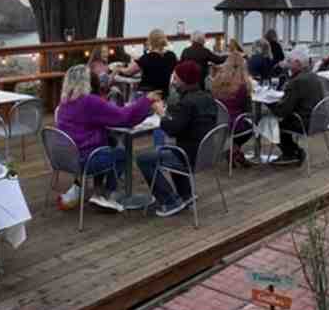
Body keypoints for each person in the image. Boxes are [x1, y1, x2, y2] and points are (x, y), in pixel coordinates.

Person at [56, 64, 160, 211]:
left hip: (66, 159)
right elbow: (124, 117)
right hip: (87, 160)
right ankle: (105, 194)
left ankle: (90, 190)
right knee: (121, 154)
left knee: (107, 144)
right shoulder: (89, 101)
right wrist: (146, 100)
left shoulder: (64, 102)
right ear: (88, 82)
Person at [136, 60, 218, 217]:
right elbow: (188, 124)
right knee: (174, 149)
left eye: (176, 78)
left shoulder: (187, 103)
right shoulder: (208, 97)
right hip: (206, 154)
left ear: (185, 80)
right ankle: (185, 194)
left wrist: (161, 112)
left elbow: (171, 130)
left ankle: (170, 201)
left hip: (188, 157)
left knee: (143, 159)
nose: (173, 81)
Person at [268, 50, 324, 165]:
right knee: (281, 121)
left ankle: (291, 153)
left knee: (270, 124)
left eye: (289, 61)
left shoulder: (297, 82)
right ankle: (293, 151)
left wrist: (268, 103)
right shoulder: (313, 76)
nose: (287, 64)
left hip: (304, 122)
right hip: (319, 119)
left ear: (298, 63)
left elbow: (282, 111)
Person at [212, 53, 253, 167]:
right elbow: (247, 111)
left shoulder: (217, 82)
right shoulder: (242, 86)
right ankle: (235, 151)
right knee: (251, 127)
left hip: (218, 122)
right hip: (235, 124)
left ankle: (234, 152)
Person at [117, 29, 177, 99]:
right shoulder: (171, 56)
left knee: (132, 93)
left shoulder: (147, 58)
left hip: (147, 95)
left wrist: (118, 69)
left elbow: (129, 72)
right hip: (164, 95)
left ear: (151, 41)